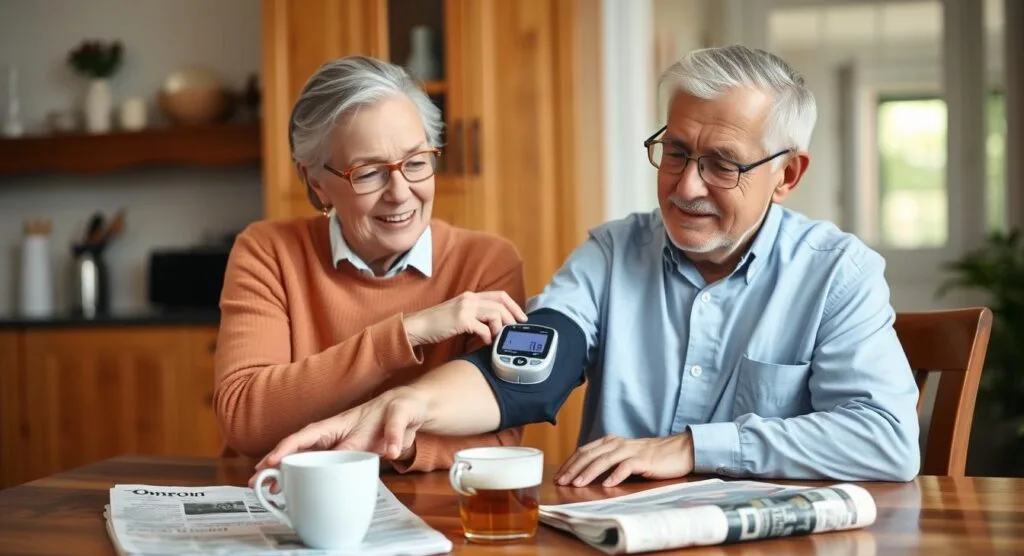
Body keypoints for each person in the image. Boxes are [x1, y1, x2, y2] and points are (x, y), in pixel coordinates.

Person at [254, 46, 921, 486]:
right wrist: (406, 401)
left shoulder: (839, 274)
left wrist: (691, 447)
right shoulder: (609, 255)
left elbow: (887, 441)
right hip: (614, 552)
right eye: (677, 151)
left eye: (721, 163)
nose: (686, 186)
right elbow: (523, 372)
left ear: (787, 175)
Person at [214, 55, 528, 472]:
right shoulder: (268, 251)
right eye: (368, 173)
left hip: (427, 507)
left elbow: (501, 436)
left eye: (416, 162)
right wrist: (410, 331)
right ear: (316, 182)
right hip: (280, 502)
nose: (400, 192)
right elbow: (245, 419)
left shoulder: (487, 262)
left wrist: (389, 445)